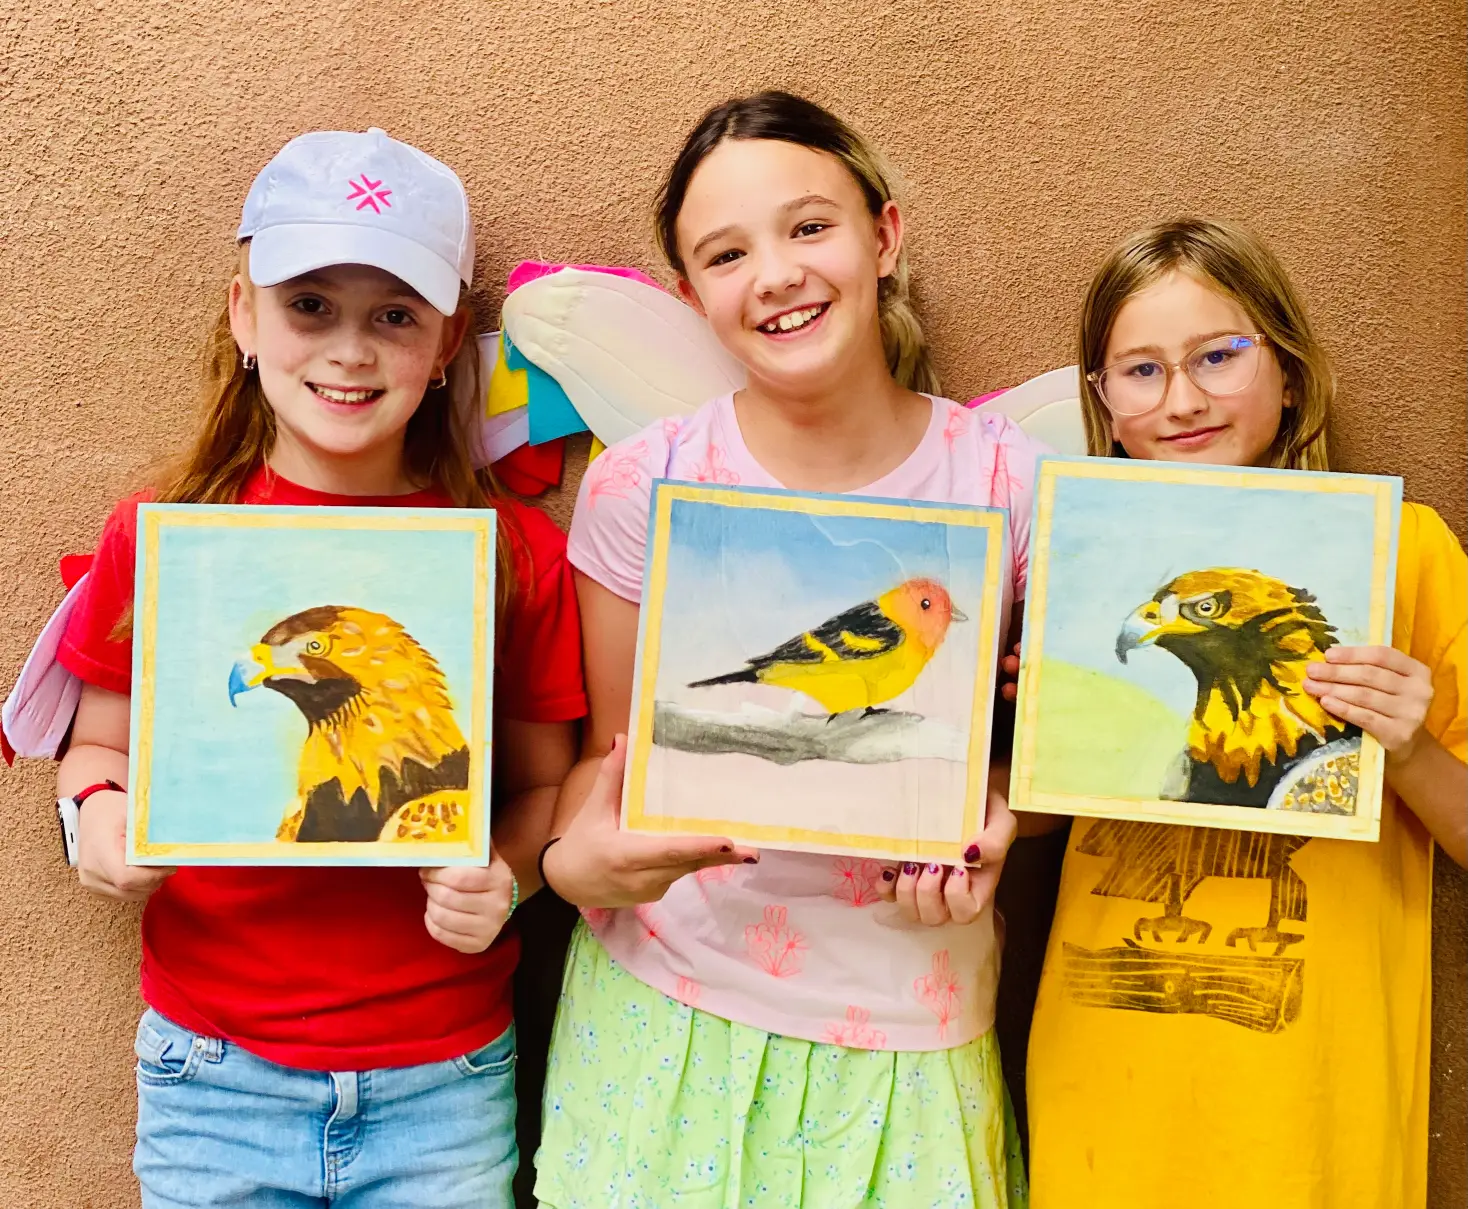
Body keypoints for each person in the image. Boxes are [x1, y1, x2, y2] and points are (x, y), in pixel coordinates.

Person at [54, 128, 587, 1208]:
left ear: (445, 345)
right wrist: (98, 819)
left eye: (393, 315)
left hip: (444, 1075)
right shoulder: (161, 539)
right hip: (212, 1075)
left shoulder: (514, 555)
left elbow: (543, 787)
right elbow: (93, 747)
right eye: (310, 305)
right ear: (243, 314)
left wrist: (509, 875)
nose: (349, 350)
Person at [532, 90, 1046, 1209]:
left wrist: (1005, 811)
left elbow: (1062, 764)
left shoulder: (1010, 484)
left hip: (915, 1029)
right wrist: (579, 865)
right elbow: (593, 770)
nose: (774, 272)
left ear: (884, 236)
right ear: (692, 296)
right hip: (665, 1020)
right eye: (726, 252)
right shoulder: (642, 487)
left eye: (808, 226)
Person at [1021, 217, 1467, 1209]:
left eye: (1217, 356)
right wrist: (1024, 736)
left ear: (1289, 370)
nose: (1180, 399)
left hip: (1314, 1096)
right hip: (1107, 1074)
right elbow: (1044, 818)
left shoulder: (1409, 551)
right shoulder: (1072, 561)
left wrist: (1407, 747)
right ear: (1101, 401)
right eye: (1139, 370)